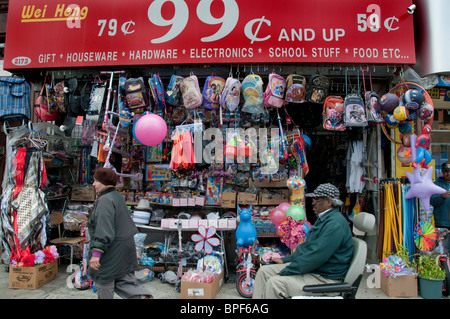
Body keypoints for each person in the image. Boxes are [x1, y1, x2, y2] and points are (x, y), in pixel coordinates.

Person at [252, 183, 353, 299]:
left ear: (329, 202)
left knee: (275, 283)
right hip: (315, 270)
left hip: (324, 278)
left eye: (316, 199)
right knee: (264, 272)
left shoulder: (335, 224)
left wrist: (287, 270)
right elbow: (307, 247)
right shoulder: (324, 219)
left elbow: (315, 256)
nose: (313, 203)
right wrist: (285, 260)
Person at [88, 167, 153, 299]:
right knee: (123, 280)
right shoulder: (116, 196)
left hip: (112, 248)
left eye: (96, 181)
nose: (93, 184)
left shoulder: (105, 200)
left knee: (104, 278)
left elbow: (104, 228)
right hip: (125, 246)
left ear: (103, 182)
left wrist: (96, 254)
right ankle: (140, 297)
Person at [430, 162, 450, 251]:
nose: (448, 173)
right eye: (446, 171)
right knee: (443, 250)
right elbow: (431, 201)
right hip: (442, 223)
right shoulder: (436, 185)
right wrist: (442, 196)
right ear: (442, 171)